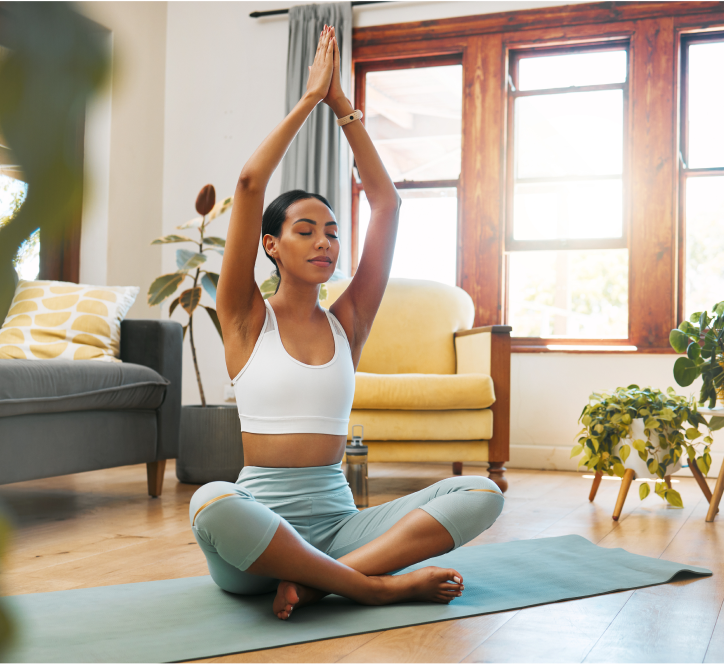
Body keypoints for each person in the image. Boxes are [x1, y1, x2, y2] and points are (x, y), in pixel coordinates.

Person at [190, 25, 504, 620]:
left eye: (332, 233)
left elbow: (387, 204)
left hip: (342, 530)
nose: (324, 242)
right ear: (270, 245)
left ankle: (318, 583)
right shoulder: (243, 319)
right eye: (305, 230)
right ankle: (372, 587)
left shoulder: (348, 322)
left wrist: (345, 108)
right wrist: (311, 98)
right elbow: (250, 185)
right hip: (256, 541)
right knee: (211, 500)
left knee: (481, 492)